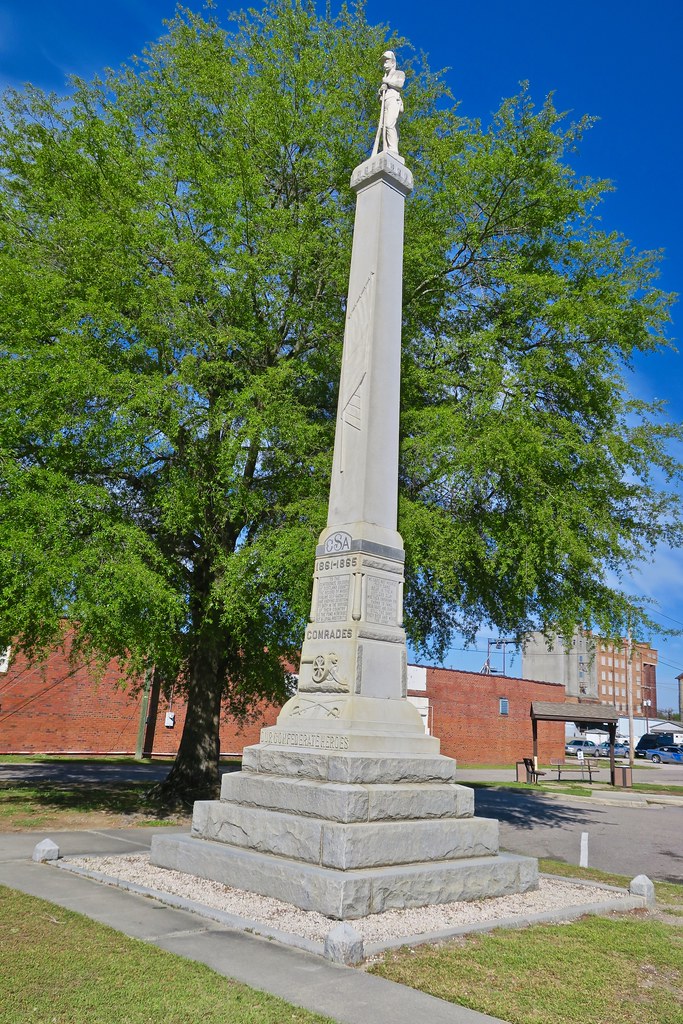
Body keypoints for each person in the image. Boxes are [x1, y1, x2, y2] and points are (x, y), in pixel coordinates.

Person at [375, 50, 405, 156]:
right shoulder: (385, 79)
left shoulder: (399, 73)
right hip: (386, 102)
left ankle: (393, 150)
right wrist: (380, 93)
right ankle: (387, 147)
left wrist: (387, 82)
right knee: (385, 126)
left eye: (386, 61)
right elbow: (379, 99)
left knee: (389, 124)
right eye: (383, 62)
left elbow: (400, 84)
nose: (384, 64)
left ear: (393, 62)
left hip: (394, 100)